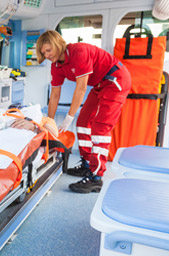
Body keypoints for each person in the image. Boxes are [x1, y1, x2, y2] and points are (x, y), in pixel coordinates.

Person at [36, 30, 131, 193]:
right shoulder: (56, 66)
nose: (46, 55)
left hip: (116, 79)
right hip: (100, 84)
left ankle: (96, 177)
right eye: (43, 52)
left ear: (58, 44)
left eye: (48, 50)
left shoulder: (78, 52)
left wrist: (68, 117)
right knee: (83, 122)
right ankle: (87, 163)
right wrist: (49, 122)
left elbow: (81, 87)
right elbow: (55, 94)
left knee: (100, 129)